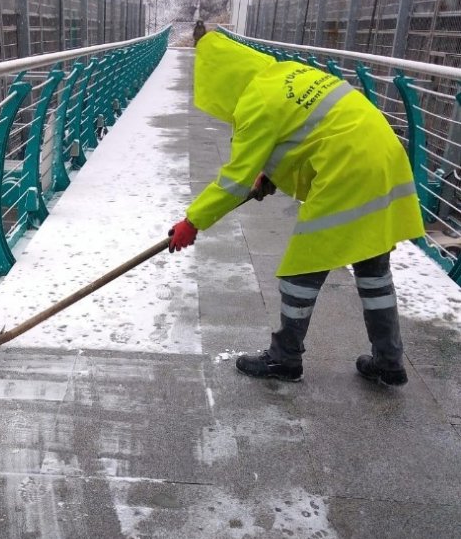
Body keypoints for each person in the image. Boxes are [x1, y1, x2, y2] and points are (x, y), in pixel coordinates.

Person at [168, 27, 425, 387]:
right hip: (383, 153)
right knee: (373, 269)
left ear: (222, 83)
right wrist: (271, 177)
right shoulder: (286, 72)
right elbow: (302, 135)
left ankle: (285, 358)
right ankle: (389, 360)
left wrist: (192, 221)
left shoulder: (255, 101)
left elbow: (234, 181)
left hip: (347, 169)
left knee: (303, 268)